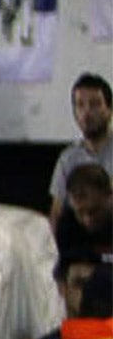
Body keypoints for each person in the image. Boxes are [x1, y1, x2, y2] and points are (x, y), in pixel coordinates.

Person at [49, 73, 112, 233]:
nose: (87, 113)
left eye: (95, 104)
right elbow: (57, 212)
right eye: (80, 105)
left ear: (109, 110)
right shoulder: (67, 158)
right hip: (79, 243)